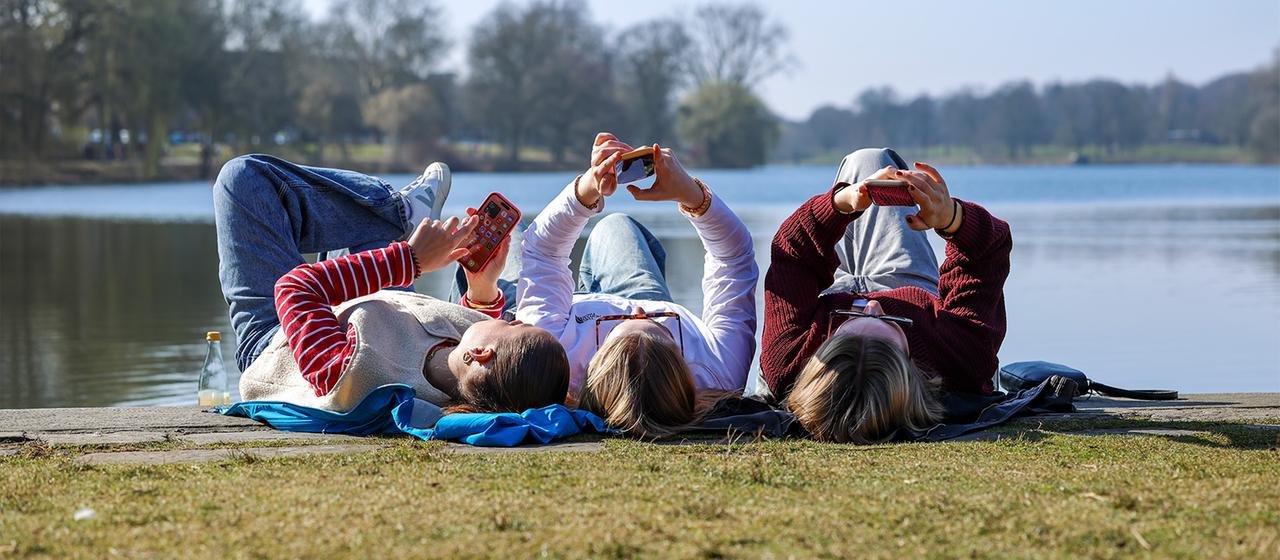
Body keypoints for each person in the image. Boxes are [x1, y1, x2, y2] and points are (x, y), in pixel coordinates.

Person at [212, 154, 569, 415]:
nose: (516, 317)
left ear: (482, 354)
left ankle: (399, 211)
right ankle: (394, 218)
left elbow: (295, 291)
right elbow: (465, 331)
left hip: (281, 339)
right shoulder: (463, 373)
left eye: (515, 326)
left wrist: (410, 261)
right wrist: (480, 288)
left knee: (243, 180)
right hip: (379, 312)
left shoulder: (353, 373)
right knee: (377, 233)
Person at [761, 148, 1012, 443]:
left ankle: (866, 322)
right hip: (909, 288)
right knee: (871, 161)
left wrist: (841, 204)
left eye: (852, 318)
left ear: (824, 348)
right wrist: (950, 217)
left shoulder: (790, 362)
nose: (873, 305)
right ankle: (874, 322)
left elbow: (792, 254)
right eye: (889, 321)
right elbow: (988, 253)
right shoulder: (957, 358)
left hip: (830, 297)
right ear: (913, 366)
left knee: (865, 173)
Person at [517, 133, 758, 438]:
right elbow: (734, 259)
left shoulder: (554, 358)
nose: (641, 310)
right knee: (616, 224)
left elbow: (542, 250)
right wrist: (693, 197)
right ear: (683, 371)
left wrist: (587, 189)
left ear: (595, 364)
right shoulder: (717, 375)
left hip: (566, 318)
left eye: (628, 321)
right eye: (660, 329)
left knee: (513, 239)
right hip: (637, 292)